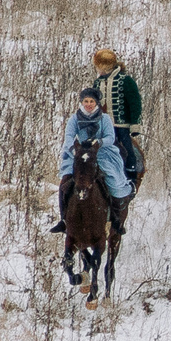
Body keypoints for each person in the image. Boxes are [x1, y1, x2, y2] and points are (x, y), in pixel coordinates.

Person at [52, 86, 133, 234]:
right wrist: (73, 149)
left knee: (113, 179)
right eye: (86, 101)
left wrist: (99, 143)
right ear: (82, 102)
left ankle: (116, 217)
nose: (88, 104)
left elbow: (110, 137)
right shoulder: (74, 118)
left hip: (101, 153)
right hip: (79, 154)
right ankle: (64, 219)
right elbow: (69, 136)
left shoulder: (104, 118)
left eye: (91, 101)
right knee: (65, 181)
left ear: (97, 103)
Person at [92, 47, 144, 181]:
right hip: (103, 124)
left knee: (126, 148)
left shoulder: (125, 80)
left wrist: (135, 124)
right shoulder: (98, 82)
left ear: (106, 66)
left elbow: (135, 102)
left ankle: (132, 173)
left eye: (99, 66)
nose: (98, 69)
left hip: (121, 124)